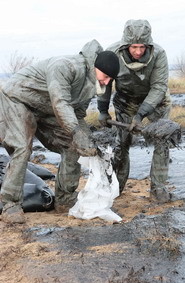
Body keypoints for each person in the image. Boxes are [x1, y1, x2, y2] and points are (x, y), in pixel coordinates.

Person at [0, 39, 120, 224]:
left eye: (110, 79)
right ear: (95, 66)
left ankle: (64, 198)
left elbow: (78, 115)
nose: (106, 81)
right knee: (22, 147)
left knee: (74, 147)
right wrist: (75, 131)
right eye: (105, 75)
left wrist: (85, 138)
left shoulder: (90, 86)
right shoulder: (66, 66)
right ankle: (10, 203)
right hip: (17, 100)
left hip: (46, 109)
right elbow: (60, 102)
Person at [97, 19, 172, 203]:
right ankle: (117, 186)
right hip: (125, 100)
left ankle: (158, 189)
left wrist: (140, 115)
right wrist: (102, 110)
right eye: (134, 47)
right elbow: (104, 82)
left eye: (142, 47)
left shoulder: (159, 54)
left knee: (162, 141)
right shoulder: (112, 53)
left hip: (156, 101)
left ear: (148, 44)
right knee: (121, 143)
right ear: (126, 45)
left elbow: (159, 87)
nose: (138, 52)